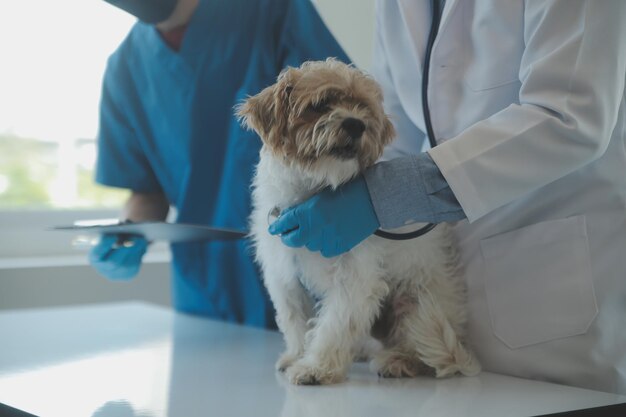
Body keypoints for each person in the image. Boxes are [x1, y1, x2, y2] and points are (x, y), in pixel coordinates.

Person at [268, 0, 626, 394]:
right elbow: (398, 126)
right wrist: (343, 188)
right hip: (439, 273)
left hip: (549, 285)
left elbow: (570, 116)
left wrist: (392, 192)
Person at [89, 0, 349, 329]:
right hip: (204, 291)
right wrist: (128, 233)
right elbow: (146, 191)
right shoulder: (125, 68)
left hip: (303, 266)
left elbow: (345, 125)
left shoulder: (274, 12)